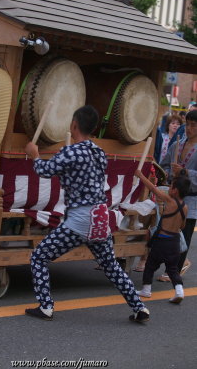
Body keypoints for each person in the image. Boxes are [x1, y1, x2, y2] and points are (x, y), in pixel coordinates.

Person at [24, 105, 150, 323]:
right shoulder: (99, 152)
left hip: (81, 219)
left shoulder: (71, 151)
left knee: (39, 257)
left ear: (74, 125)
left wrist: (34, 155)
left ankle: (45, 306)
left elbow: (44, 171)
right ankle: (139, 307)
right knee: (111, 266)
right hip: (101, 216)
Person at [135, 169, 190, 304]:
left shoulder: (169, 201)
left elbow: (154, 189)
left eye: (171, 186)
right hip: (174, 242)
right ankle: (179, 291)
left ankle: (146, 290)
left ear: (175, 191)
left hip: (162, 241)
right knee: (172, 269)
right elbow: (182, 226)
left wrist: (141, 175)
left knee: (150, 264)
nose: (169, 188)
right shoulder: (185, 207)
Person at [157, 109, 197, 281]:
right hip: (173, 196)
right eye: (187, 124)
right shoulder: (177, 144)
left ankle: (174, 270)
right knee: (170, 232)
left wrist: (185, 172)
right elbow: (164, 165)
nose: (188, 129)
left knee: (185, 234)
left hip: (191, 198)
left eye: (193, 126)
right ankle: (172, 266)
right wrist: (166, 174)